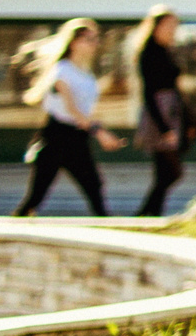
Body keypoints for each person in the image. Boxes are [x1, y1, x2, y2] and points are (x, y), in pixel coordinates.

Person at [13, 18, 122, 216]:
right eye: (89, 39)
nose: (95, 44)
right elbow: (72, 109)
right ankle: (13, 229)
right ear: (74, 42)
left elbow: (84, 108)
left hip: (76, 136)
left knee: (94, 186)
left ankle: (108, 226)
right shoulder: (62, 71)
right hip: (57, 136)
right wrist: (100, 132)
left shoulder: (85, 72)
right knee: (36, 197)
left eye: (96, 39)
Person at [128, 5, 191, 216]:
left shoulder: (167, 50)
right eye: (169, 24)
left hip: (172, 112)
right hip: (159, 114)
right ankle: (146, 214)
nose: (173, 29)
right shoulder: (149, 52)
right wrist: (165, 127)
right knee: (171, 172)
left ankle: (149, 215)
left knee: (166, 173)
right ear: (157, 26)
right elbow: (149, 93)